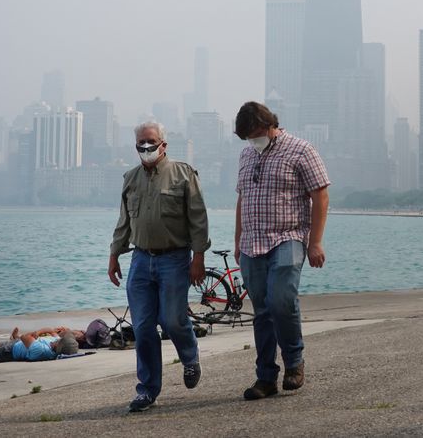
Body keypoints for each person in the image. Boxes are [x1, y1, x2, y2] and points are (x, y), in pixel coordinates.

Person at [108, 120, 210, 413]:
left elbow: (198, 219)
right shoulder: (130, 178)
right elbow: (124, 222)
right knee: (142, 326)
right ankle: (148, 390)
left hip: (174, 259)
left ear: (163, 144)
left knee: (173, 319)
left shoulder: (183, 174)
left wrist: (198, 257)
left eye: (151, 142)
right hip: (140, 260)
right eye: (141, 143)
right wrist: (115, 254)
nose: (146, 147)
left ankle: (189, 358)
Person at [233, 101, 330, 401]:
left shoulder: (301, 150)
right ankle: (265, 377)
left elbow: (321, 194)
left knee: (281, 300)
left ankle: (294, 362)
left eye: (256, 133)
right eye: (247, 136)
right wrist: (237, 239)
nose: (253, 139)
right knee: (261, 311)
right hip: (252, 242)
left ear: (269, 125)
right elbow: (242, 198)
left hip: (288, 237)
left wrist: (315, 242)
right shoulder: (247, 154)